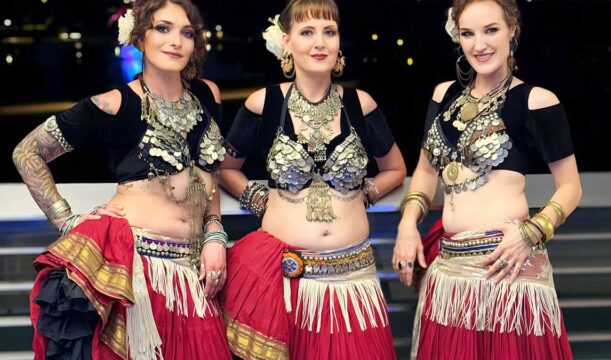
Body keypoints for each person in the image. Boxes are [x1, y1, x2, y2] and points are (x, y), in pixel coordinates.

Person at [12, 0, 232, 358]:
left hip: (193, 272)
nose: (175, 40)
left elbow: (210, 174)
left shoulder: (208, 95)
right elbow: (26, 152)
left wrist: (215, 234)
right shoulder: (115, 103)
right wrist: (67, 220)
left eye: (186, 32)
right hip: (134, 272)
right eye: (162, 28)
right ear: (139, 37)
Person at [393, 0, 582, 358]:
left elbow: (571, 186)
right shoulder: (443, 95)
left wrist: (533, 231)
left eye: (491, 30)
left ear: (513, 29)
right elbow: (425, 170)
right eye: (468, 33)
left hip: (508, 267)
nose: (479, 44)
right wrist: (407, 223)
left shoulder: (537, 101)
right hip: (450, 270)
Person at [218, 0, 406, 358]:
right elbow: (226, 167)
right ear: (286, 42)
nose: (320, 42)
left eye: (329, 32)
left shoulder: (359, 104)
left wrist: (363, 195)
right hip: (287, 282)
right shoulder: (264, 104)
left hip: (354, 283)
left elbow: (396, 168)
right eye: (307, 32)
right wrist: (259, 200)